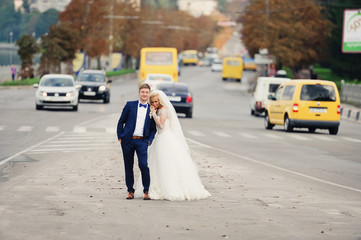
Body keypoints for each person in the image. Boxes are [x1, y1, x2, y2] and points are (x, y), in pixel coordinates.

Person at [135, 90, 211, 201]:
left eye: (156, 101)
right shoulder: (159, 110)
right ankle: (155, 187)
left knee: (166, 164)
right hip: (160, 139)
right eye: (152, 102)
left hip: (165, 139)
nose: (154, 104)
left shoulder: (163, 110)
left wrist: (153, 114)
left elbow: (161, 125)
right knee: (157, 164)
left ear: (160, 101)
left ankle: (169, 188)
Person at [117, 83, 157, 200]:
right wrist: (120, 136)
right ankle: (130, 191)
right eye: (143, 92)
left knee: (144, 165)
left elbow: (153, 128)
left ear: (149, 94)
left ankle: (146, 191)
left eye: (147, 92)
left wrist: (149, 140)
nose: (144, 94)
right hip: (128, 141)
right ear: (139, 93)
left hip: (142, 141)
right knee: (128, 167)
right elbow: (121, 121)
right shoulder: (130, 105)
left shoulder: (151, 109)